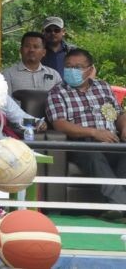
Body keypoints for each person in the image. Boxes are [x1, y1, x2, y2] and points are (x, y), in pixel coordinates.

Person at [45, 49, 126, 214]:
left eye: (78, 67)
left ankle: (115, 205)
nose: (72, 70)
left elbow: (119, 114)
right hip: (82, 143)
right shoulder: (57, 92)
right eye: (68, 66)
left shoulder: (103, 87)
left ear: (90, 69)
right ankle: (120, 205)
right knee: (93, 154)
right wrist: (94, 133)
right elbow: (60, 124)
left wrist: (124, 127)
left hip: (113, 141)